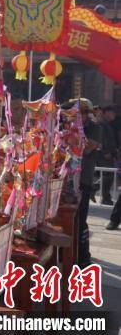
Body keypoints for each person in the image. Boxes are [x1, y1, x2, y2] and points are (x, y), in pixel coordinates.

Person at [76, 99, 101, 267]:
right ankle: (72, 253)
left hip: (84, 179)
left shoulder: (94, 128)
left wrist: (74, 138)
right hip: (70, 180)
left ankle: (84, 256)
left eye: (82, 112)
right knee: (72, 218)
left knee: (81, 219)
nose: (79, 116)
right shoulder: (73, 127)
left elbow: (86, 148)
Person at [99, 106, 118, 205]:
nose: (114, 115)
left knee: (108, 175)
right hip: (104, 156)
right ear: (106, 112)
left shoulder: (108, 124)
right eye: (112, 112)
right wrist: (105, 152)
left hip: (110, 154)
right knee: (107, 175)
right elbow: (101, 139)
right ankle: (105, 197)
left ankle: (104, 195)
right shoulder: (102, 124)